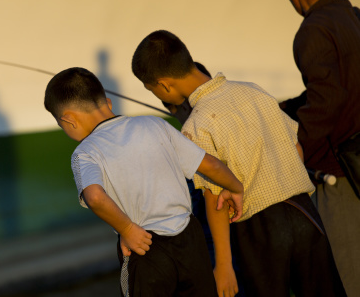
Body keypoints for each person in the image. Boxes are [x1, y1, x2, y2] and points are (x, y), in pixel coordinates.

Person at [132, 30, 346, 297]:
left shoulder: (195, 127)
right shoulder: (253, 90)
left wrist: (223, 266)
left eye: (151, 89)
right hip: (305, 215)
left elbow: (214, 200)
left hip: (258, 229)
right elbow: (296, 148)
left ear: (163, 85)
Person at [44, 67, 244, 297]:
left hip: (145, 246)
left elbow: (95, 197)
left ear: (68, 120)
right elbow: (211, 165)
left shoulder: (85, 153)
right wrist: (235, 188)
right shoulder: (154, 124)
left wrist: (126, 229)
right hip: (190, 239)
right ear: (108, 102)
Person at [264, 0, 360, 295]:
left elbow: (328, 100)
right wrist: (286, 109)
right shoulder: (353, 15)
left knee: (351, 275)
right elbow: (341, 86)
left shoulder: (313, 30)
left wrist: (295, 146)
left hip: (343, 173)